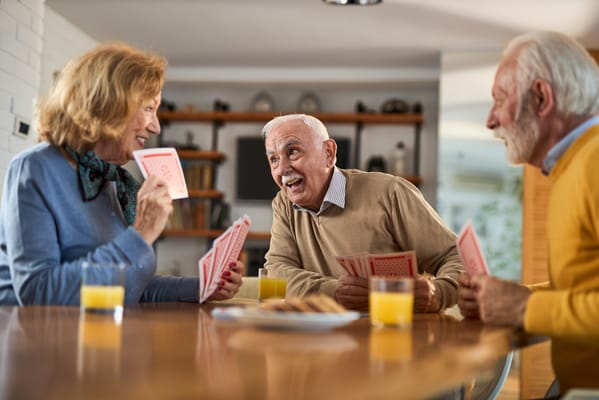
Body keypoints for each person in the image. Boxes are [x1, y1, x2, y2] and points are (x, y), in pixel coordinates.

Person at [0, 42, 244, 305]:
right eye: (149, 109)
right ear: (109, 105)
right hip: (40, 339)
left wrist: (203, 288)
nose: (156, 127)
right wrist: (140, 234)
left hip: (102, 333)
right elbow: (38, 292)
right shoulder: (34, 169)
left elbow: (131, 286)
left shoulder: (114, 182)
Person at [457, 31, 599, 394]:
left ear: (541, 97)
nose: (490, 120)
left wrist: (525, 307)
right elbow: (585, 291)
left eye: (499, 99)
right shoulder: (574, 165)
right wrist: (506, 300)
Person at [261, 113, 463, 312]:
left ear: (328, 153)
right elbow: (278, 271)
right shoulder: (283, 204)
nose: (282, 169)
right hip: (319, 337)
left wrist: (438, 294)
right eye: (274, 159)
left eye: (293, 151)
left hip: (395, 333)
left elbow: (456, 257)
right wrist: (337, 292)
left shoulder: (390, 193)